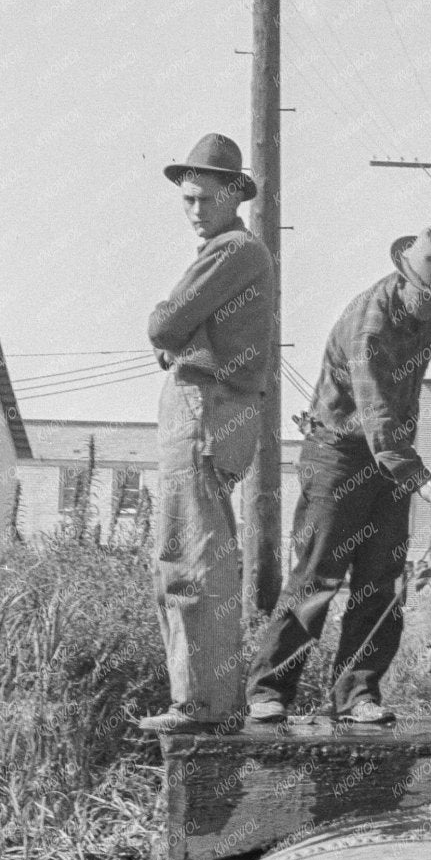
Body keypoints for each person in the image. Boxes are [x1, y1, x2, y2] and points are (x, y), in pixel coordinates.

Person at [245, 229, 431, 725]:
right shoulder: (370, 328)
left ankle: (356, 694)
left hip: (390, 459)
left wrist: (409, 474)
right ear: (407, 280)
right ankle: (269, 690)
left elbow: (398, 416)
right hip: (340, 453)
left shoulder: (422, 319)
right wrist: (426, 483)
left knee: (382, 581)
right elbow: (378, 417)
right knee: (318, 576)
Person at [141, 133, 275, 728]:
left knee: (193, 563)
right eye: (188, 200)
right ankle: (205, 700)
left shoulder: (234, 250)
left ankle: (202, 705)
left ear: (233, 197)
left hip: (206, 415)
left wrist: (180, 342)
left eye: (206, 199)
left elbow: (165, 322)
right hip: (210, 413)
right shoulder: (234, 253)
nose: (196, 211)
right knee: (188, 558)